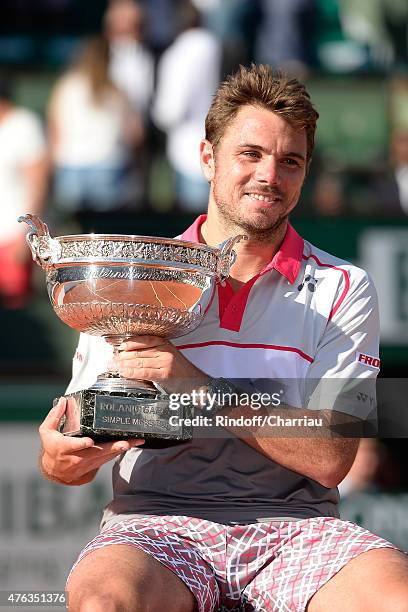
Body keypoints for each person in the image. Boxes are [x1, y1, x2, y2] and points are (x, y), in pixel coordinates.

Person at [39, 64, 408, 611]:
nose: (269, 175)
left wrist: (197, 387)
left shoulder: (343, 287)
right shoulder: (134, 276)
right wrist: (63, 456)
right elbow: (69, 458)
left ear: (305, 174)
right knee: (102, 604)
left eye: (290, 161)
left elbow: (333, 456)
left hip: (298, 529)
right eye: (250, 154)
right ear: (208, 157)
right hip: (156, 524)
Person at [48, 36, 144, 217]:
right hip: (108, 166)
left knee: (72, 235)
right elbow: (134, 133)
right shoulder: (117, 90)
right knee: (104, 233)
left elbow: (55, 131)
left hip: (71, 165)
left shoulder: (66, 86)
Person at [0, 75, 48, 309]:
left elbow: (38, 182)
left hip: (13, 238)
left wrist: (25, 235)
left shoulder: (24, 125)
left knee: (15, 310)